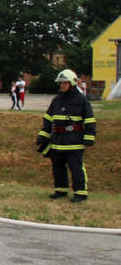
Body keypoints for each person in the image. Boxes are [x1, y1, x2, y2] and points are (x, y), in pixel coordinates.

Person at [36, 69, 96, 202]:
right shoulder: (57, 100)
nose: (62, 85)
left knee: (76, 167)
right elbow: (48, 119)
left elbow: (90, 120)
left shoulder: (81, 100)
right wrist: (43, 135)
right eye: (60, 83)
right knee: (57, 167)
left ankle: (80, 193)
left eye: (64, 83)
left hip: (74, 140)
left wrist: (89, 137)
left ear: (72, 83)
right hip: (57, 140)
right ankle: (61, 190)